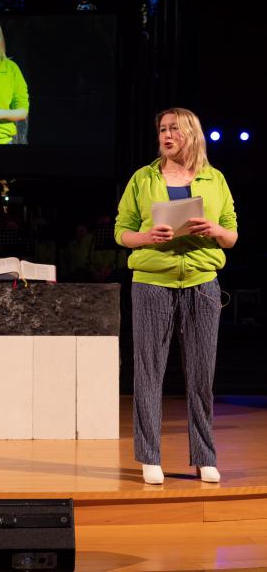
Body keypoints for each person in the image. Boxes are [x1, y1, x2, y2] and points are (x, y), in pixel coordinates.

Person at [114, 107, 238, 485]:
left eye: (175, 130)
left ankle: (204, 456)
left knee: (201, 375)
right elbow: (122, 232)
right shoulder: (143, 178)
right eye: (163, 130)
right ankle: (149, 456)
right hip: (152, 281)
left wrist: (213, 228)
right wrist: (147, 237)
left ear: (191, 135)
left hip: (202, 283)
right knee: (149, 372)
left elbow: (231, 236)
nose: (167, 136)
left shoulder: (214, 179)